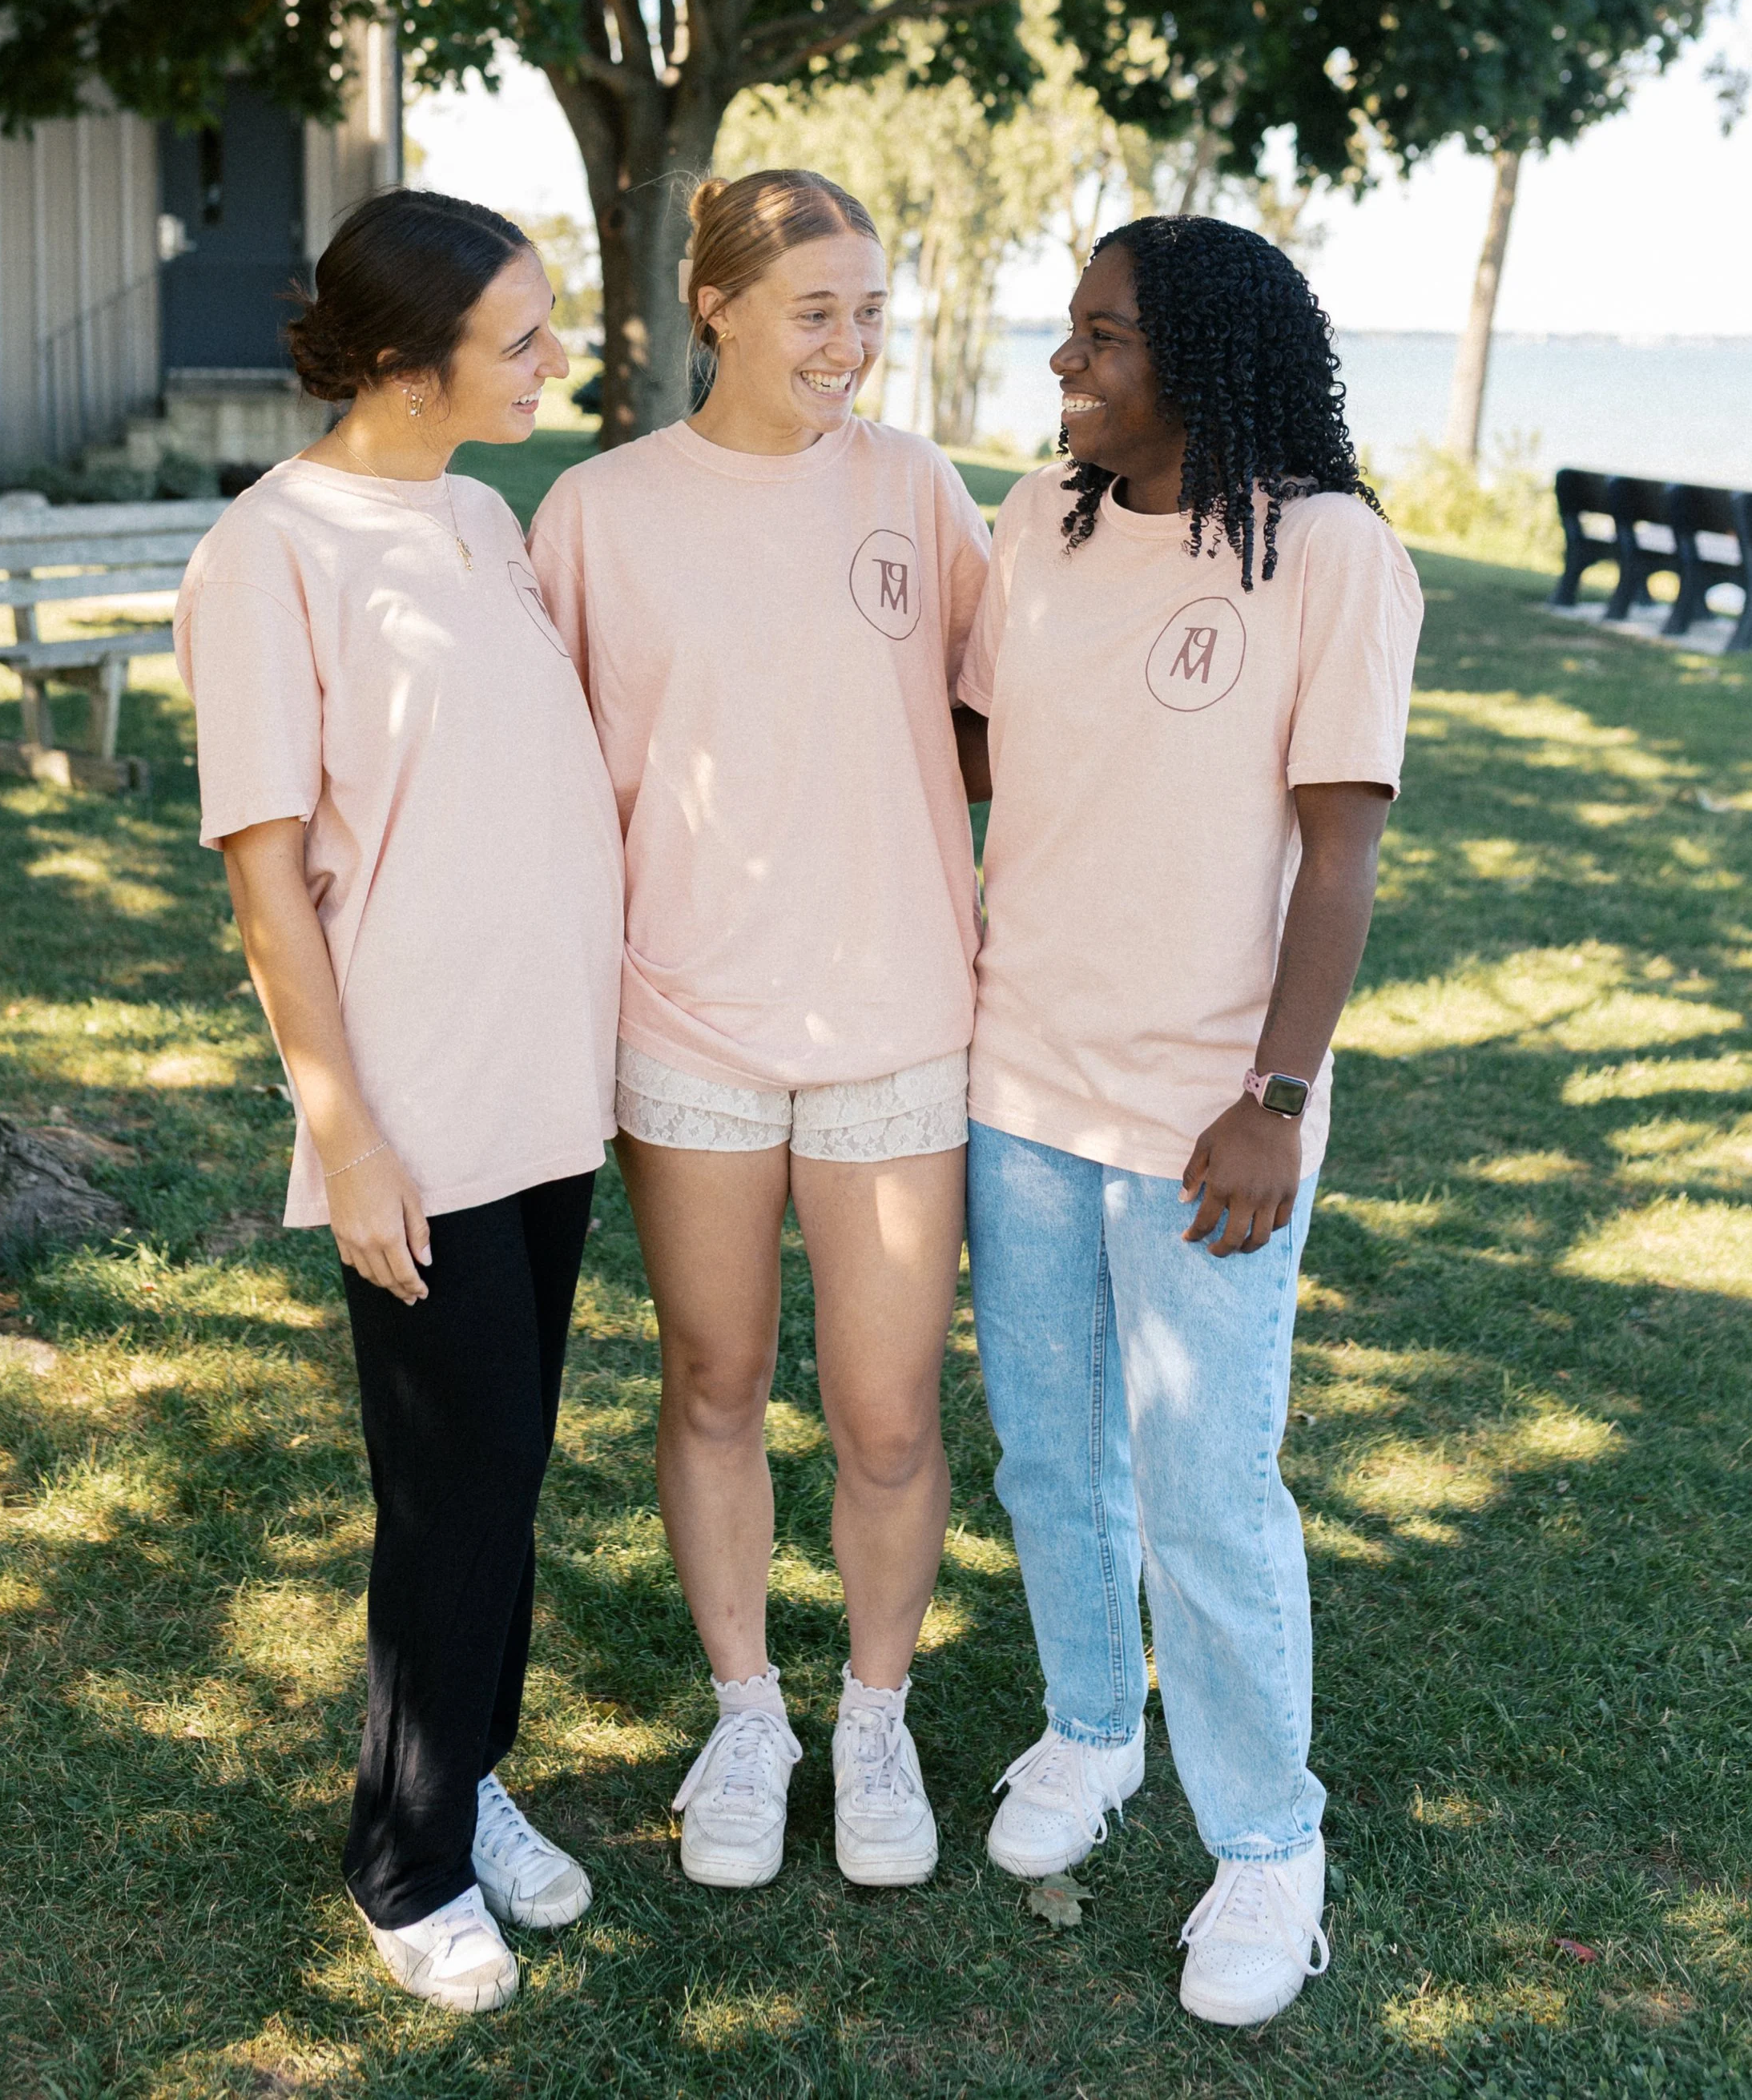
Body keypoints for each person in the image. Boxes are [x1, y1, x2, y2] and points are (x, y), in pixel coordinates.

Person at [954, 214, 1422, 2028]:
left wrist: (1273, 1096)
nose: (1063, 363)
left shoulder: (1327, 555)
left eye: (1099, 337)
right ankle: (1088, 1727)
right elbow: (984, 743)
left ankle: (1263, 1840)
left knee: (1206, 1487)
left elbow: (1339, 850)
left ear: (1207, 362)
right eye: (1066, 329)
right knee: (1050, 1453)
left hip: (1203, 1111)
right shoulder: (1037, 521)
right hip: (1016, 1078)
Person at [172, 190, 624, 2018]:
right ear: (399, 357)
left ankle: (462, 1768)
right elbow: (268, 876)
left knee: (502, 1472)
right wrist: (344, 1129)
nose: (551, 363)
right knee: (449, 1487)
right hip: (418, 1102)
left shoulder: (480, 515)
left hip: (548, 1081)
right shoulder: (270, 553)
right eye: (518, 340)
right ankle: (404, 1858)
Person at [529, 170, 991, 1893]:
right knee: (714, 1379)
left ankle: (873, 1715)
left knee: (882, 1414)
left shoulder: (916, 487)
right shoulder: (593, 511)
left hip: (893, 1017)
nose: (850, 346)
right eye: (816, 312)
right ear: (713, 306)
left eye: (872, 313)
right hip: (684, 1019)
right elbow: (547, 772)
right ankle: (745, 1713)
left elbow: (998, 713)